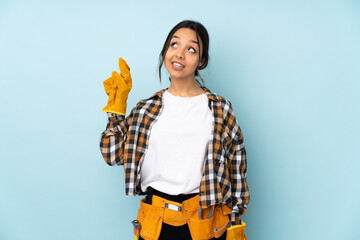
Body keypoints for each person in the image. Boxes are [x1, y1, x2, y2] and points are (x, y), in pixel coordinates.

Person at [99, 20, 249, 240]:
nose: (179, 54)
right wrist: (116, 109)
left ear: (201, 60)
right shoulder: (145, 109)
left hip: (205, 222)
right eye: (174, 45)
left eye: (191, 49)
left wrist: (236, 223)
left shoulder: (219, 108)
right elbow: (112, 156)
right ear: (165, 52)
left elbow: (237, 168)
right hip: (154, 223)